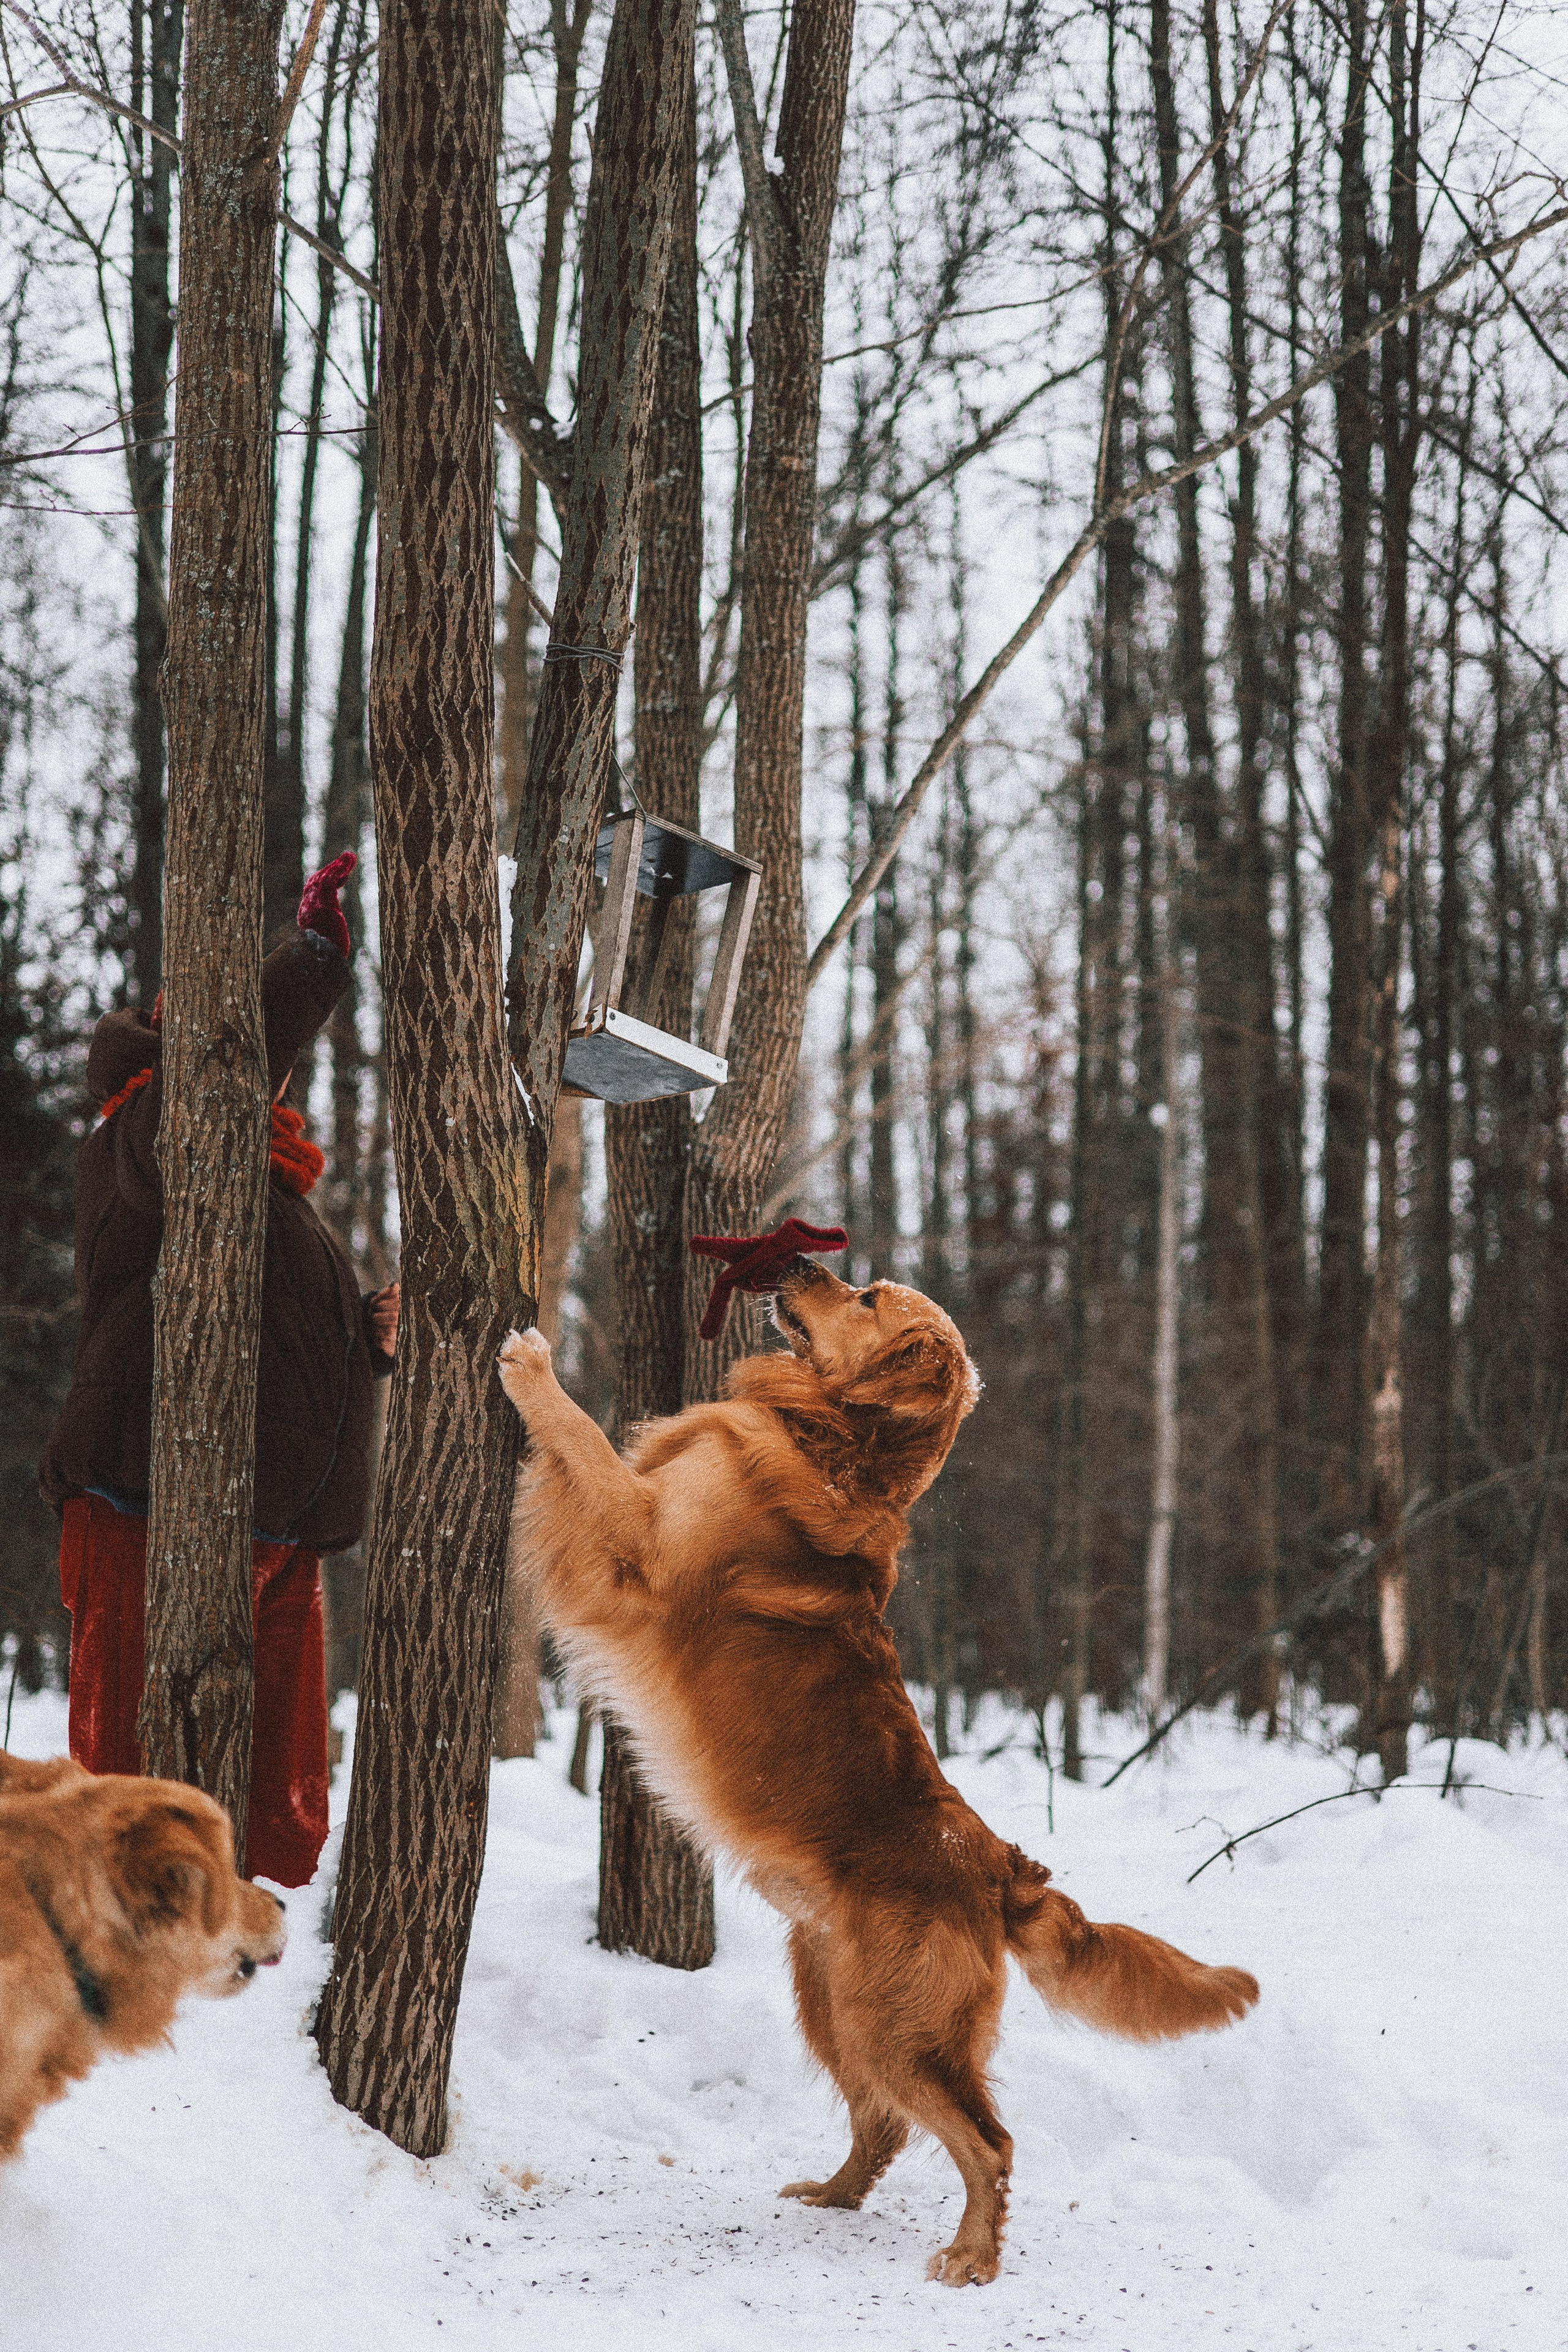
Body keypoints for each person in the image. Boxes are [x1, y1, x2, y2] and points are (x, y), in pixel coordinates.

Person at [39, 854, 398, 1887]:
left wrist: (364, 1345)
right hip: (139, 1493)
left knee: (278, 1777)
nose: (270, 1080)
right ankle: (115, 1907)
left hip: (271, 1504)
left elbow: (269, 1339)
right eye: (246, 1063)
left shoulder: (269, 1185)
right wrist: (316, 962)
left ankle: (256, 1903)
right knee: (127, 1748)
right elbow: (214, 1085)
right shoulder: (138, 1135)